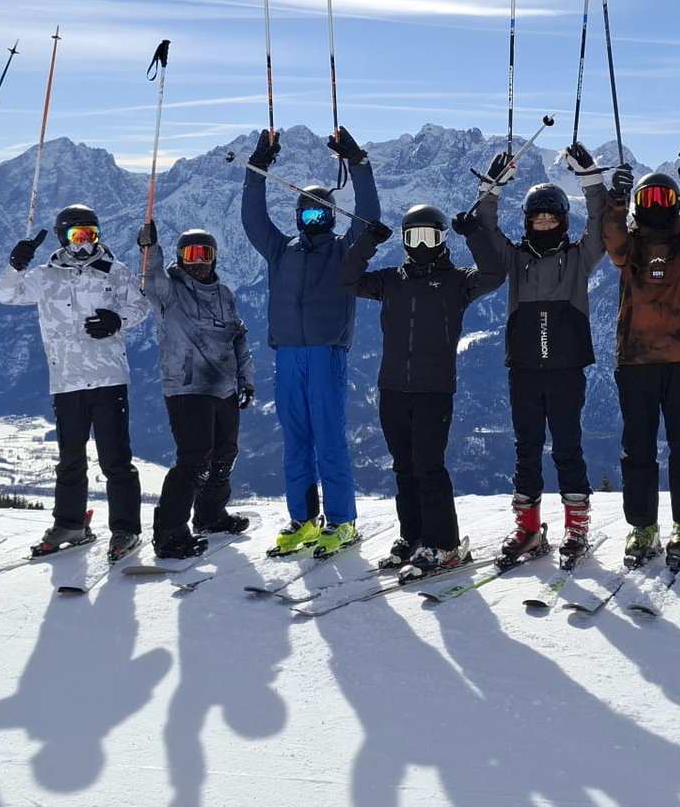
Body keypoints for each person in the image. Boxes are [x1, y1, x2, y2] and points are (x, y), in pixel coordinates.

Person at [340, 203, 505, 578]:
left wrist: (474, 233)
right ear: (403, 240)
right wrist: (367, 241)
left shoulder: (457, 281)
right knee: (404, 467)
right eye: (414, 236)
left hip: (434, 390)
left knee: (429, 467)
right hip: (392, 389)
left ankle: (444, 544)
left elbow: (495, 275)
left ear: (443, 239)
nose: (421, 244)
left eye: (429, 236)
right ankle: (412, 536)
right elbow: (347, 281)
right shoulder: (390, 281)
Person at [240, 126, 380, 557]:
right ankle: (302, 519)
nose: (313, 222)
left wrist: (357, 161)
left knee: (329, 438)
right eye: (307, 215)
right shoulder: (281, 250)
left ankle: (341, 521)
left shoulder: (345, 250)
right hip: (288, 355)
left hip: (325, 354)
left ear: (333, 218)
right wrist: (258, 167)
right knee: (296, 440)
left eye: (321, 215)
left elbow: (369, 213)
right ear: (298, 217)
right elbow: (253, 219)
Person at [468, 142, 609, 567]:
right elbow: (486, 228)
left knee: (568, 446)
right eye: (537, 218)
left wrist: (591, 180)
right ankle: (527, 529)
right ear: (527, 222)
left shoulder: (579, 258)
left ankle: (576, 528)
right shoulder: (515, 260)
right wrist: (491, 190)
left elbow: (600, 224)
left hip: (566, 370)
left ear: (563, 222)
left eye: (551, 218)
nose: (544, 224)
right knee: (526, 448)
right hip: (525, 369)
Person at [0, 204, 148, 560]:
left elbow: (140, 307)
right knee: (70, 461)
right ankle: (70, 523)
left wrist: (118, 320)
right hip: (66, 381)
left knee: (116, 460)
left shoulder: (115, 271)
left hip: (109, 378)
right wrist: (15, 265)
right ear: (62, 238)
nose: (84, 244)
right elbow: (5, 294)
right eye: (76, 236)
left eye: (91, 235)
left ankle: (125, 528)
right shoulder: (45, 276)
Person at [601, 160, 680, 570]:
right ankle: (643, 526)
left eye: (665, 197)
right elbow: (612, 240)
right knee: (638, 449)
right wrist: (616, 200)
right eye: (649, 197)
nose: (657, 205)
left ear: (677, 202)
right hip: (637, 362)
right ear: (638, 204)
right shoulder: (631, 245)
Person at [135, 223, 255, 560]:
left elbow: (238, 338)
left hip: (223, 386)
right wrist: (149, 248)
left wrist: (246, 380)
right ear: (180, 257)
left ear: (214, 258)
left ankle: (210, 514)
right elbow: (150, 279)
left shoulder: (225, 295)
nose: (198, 262)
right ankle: (169, 531)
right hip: (186, 388)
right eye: (191, 255)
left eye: (205, 254)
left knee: (224, 454)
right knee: (194, 459)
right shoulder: (171, 292)